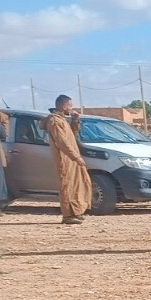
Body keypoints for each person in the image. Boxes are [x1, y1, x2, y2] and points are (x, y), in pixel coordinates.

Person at [43, 95, 92, 225]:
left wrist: (75, 121)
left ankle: (75, 211)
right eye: (70, 106)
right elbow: (62, 142)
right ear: (64, 106)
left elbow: (72, 135)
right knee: (67, 185)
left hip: (71, 158)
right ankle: (68, 215)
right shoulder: (54, 121)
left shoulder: (62, 120)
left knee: (76, 184)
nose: (71, 108)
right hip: (64, 159)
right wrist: (75, 157)